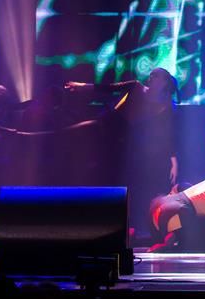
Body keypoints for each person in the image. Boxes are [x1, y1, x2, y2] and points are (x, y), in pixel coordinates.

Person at [66, 67, 179, 235]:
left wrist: (174, 160)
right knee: (71, 135)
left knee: (117, 180)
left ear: (164, 82)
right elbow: (109, 88)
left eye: (155, 75)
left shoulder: (167, 106)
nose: (151, 77)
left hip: (123, 142)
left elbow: (168, 135)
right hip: (107, 127)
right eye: (151, 74)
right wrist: (82, 86)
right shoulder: (136, 86)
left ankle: (118, 222)